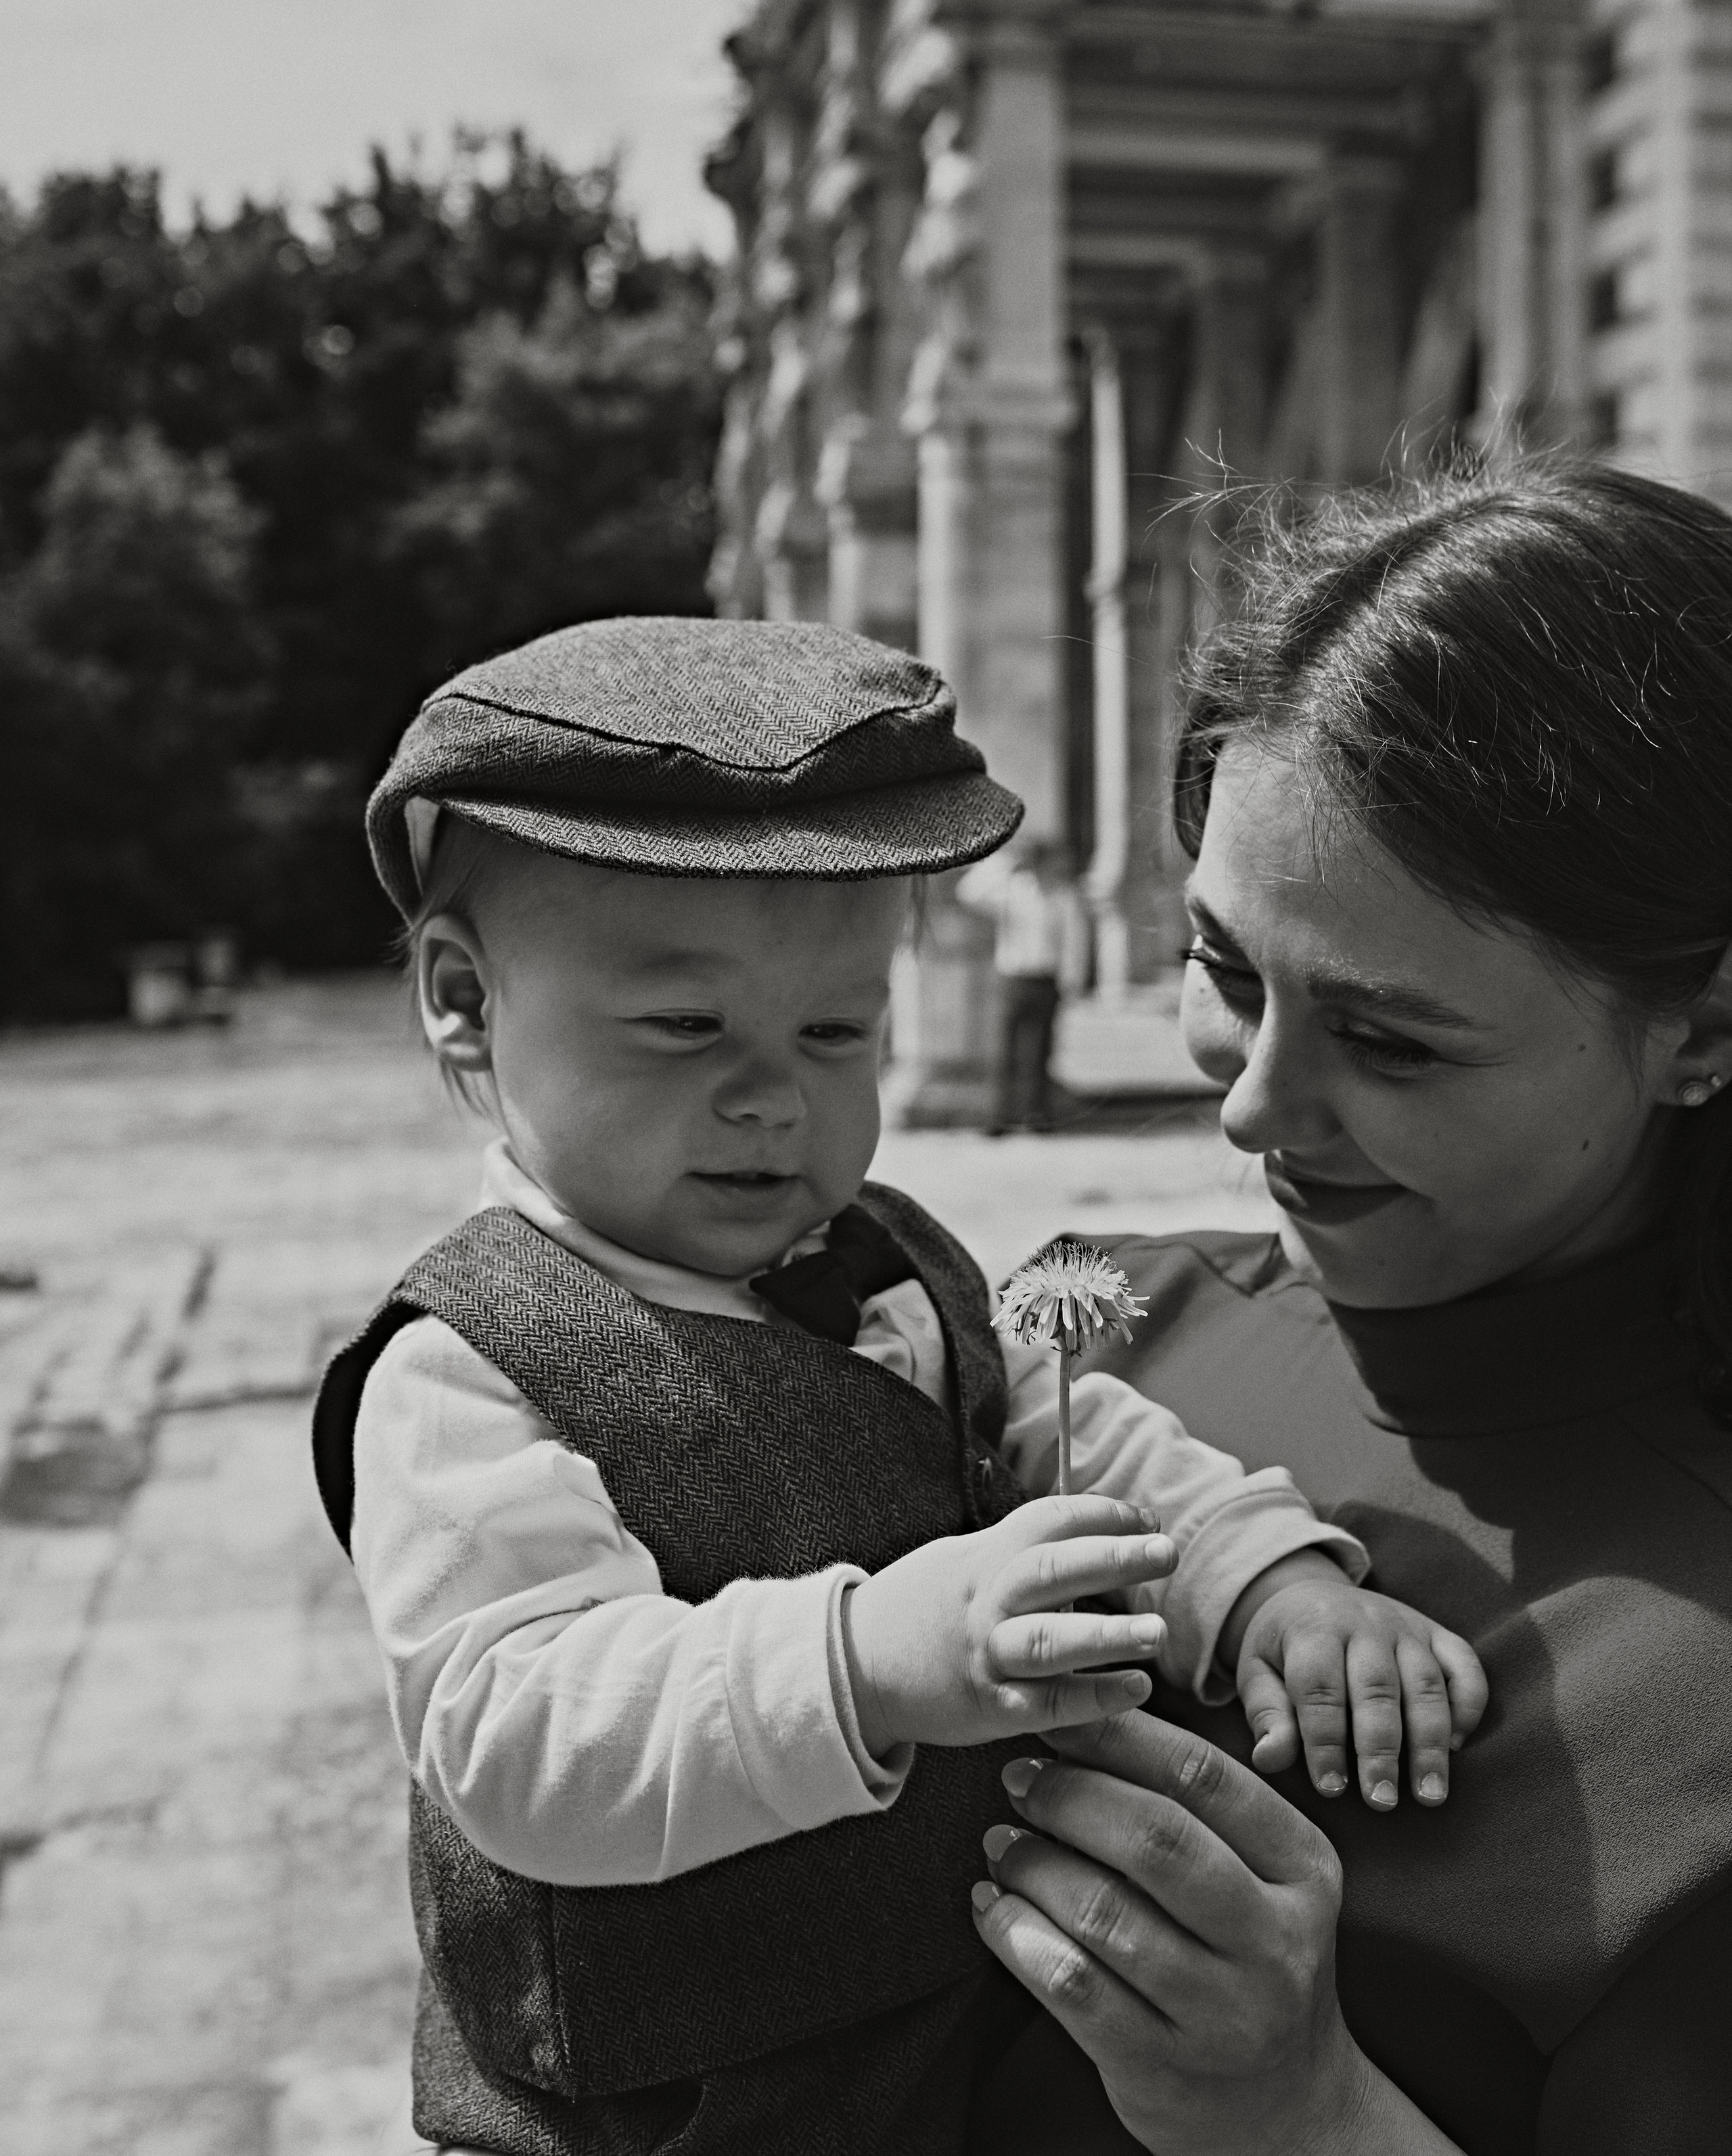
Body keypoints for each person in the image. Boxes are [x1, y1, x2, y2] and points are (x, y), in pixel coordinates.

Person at [306, 615, 1485, 2156]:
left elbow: (1059, 1435)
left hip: (931, 2036)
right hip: (656, 2106)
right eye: (683, 1028)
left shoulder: (885, 1261)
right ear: (465, 1003)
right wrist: (866, 1657)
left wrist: (1257, 1575)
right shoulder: (473, 1366)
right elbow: (516, 1737)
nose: (770, 1095)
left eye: (834, 1030)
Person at [964, 455, 1732, 2155]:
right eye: (1224, 971)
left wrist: (1299, 2111)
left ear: (1697, 1028)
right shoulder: (1078, 1322)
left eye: (1387, 1041)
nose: (1252, 1109)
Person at [957, 838, 1091, 1132]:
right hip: (1014, 979)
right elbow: (968, 893)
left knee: (1042, 1050)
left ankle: (1037, 1114)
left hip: (1045, 979)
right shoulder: (1011, 890)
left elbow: (1074, 943)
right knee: (1007, 1050)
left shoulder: (1062, 896)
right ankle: (1000, 1116)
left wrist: (1072, 982)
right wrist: (1004, 864)